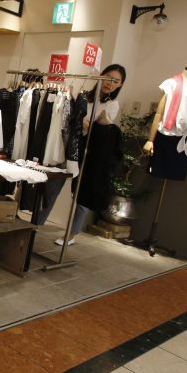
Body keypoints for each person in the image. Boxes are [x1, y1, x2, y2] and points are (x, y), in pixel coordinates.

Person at [56, 63, 126, 245]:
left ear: (120, 85)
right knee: (59, 182)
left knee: (83, 195)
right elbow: (78, 120)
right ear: (101, 76)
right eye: (109, 78)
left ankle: (71, 234)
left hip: (91, 153)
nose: (110, 83)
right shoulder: (86, 96)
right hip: (70, 144)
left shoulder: (112, 105)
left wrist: (84, 122)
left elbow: (95, 128)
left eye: (116, 81)